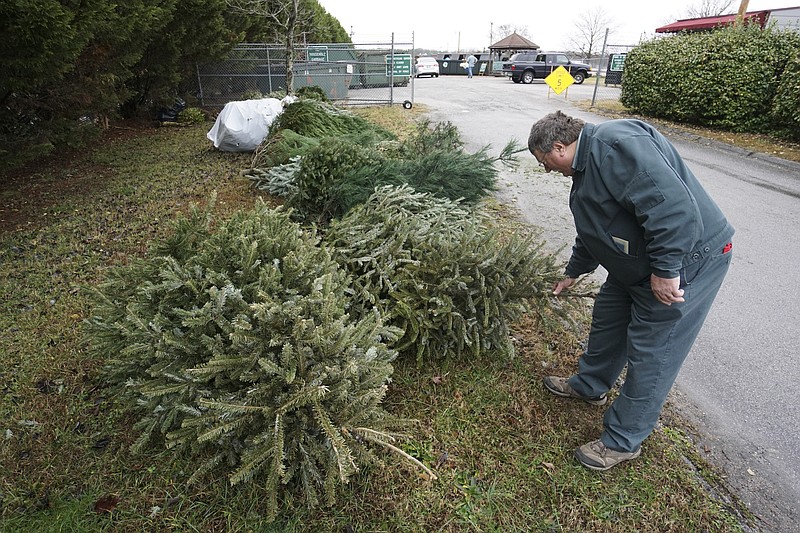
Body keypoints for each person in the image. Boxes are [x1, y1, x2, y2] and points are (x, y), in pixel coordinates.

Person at [528, 111, 734, 471]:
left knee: (654, 351)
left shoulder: (616, 147)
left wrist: (667, 270)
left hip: (684, 261)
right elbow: (595, 225)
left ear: (559, 147)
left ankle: (623, 440)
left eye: (544, 161)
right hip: (638, 266)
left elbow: (673, 210)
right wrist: (575, 271)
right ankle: (591, 384)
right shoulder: (586, 165)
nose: (546, 169)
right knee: (609, 318)